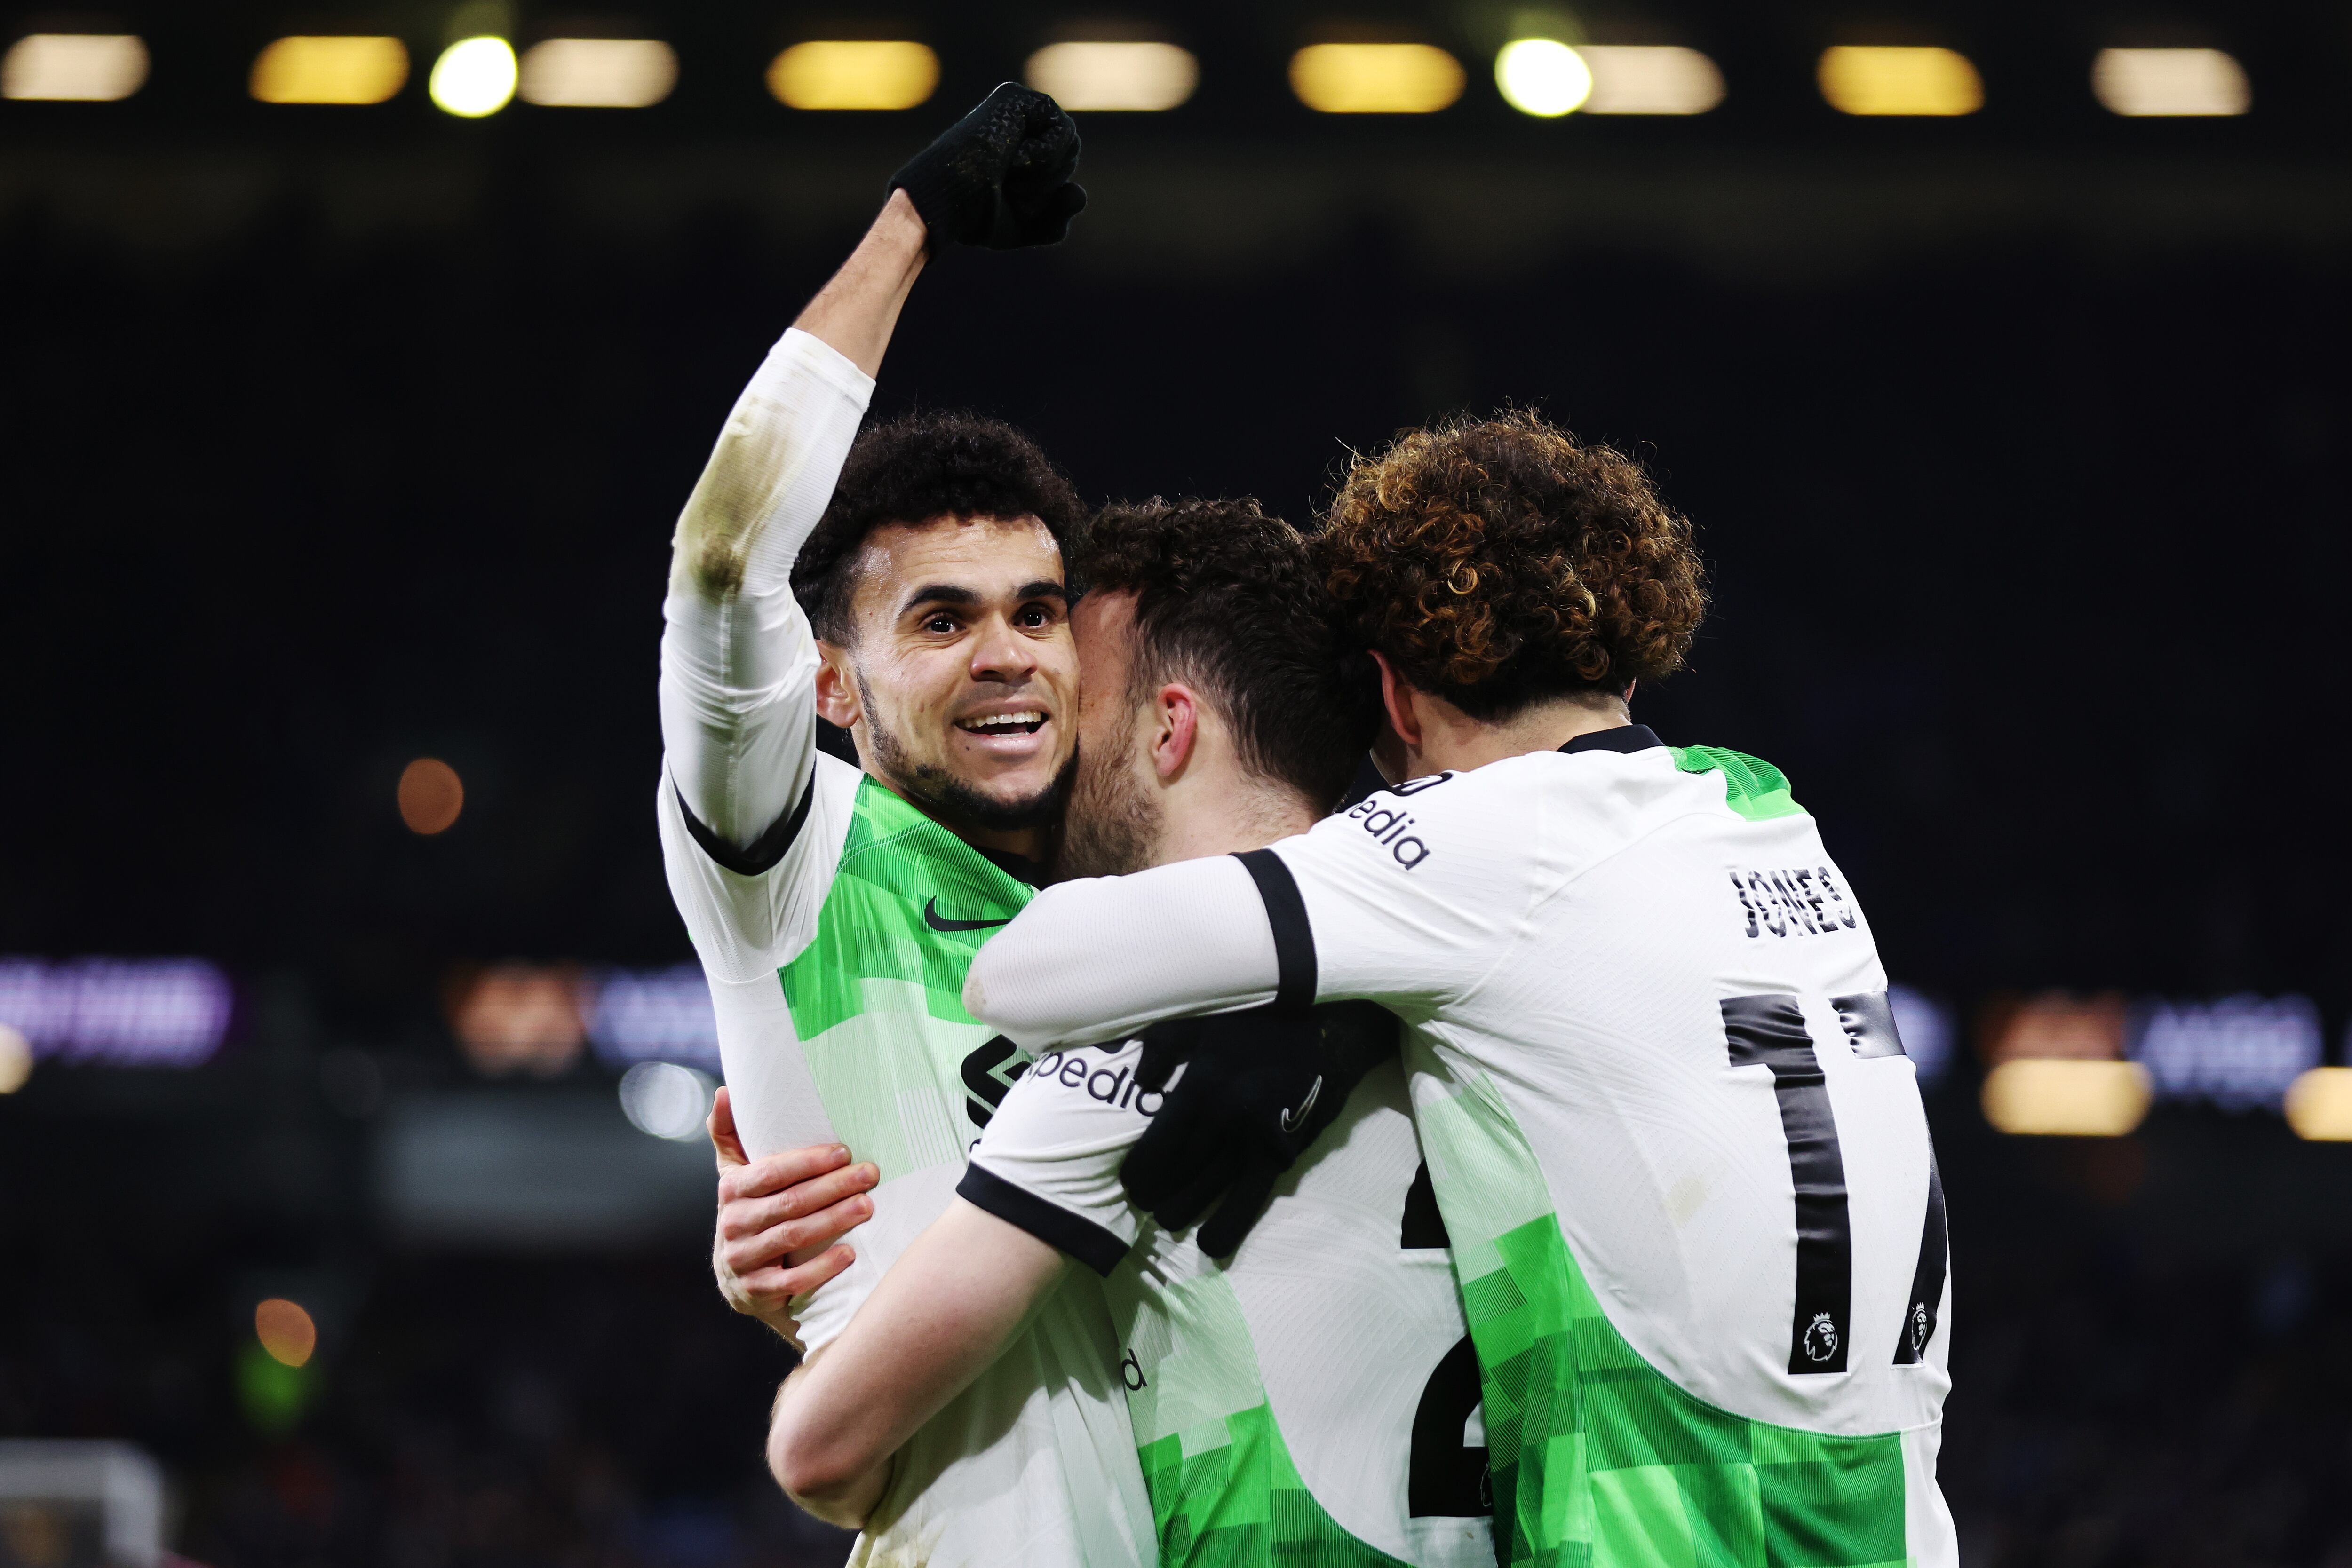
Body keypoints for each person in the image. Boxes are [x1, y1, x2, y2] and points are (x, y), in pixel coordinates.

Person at [961, 412, 1959, 1568]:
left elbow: (1022, 972)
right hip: (1899, 1521)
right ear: (1625, 659)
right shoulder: (1763, 809)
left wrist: (1291, 995)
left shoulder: (1472, 840)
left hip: (1675, 1528)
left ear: (1392, 701)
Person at [768, 498, 1497, 1568]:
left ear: (1169, 727)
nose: (1048, 730)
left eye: (1086, 700)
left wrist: (803, 1298)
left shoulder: (1127, 1049)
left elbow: (820, 1452)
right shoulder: (1480, 1002)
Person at [656, 84, 1154, 1567]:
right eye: (941, 619)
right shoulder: (793, 868)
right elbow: (725, 560)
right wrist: (912, 226)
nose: (1008, 653)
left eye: (1037, 612)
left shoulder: (1158, 899)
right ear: (828, 684)